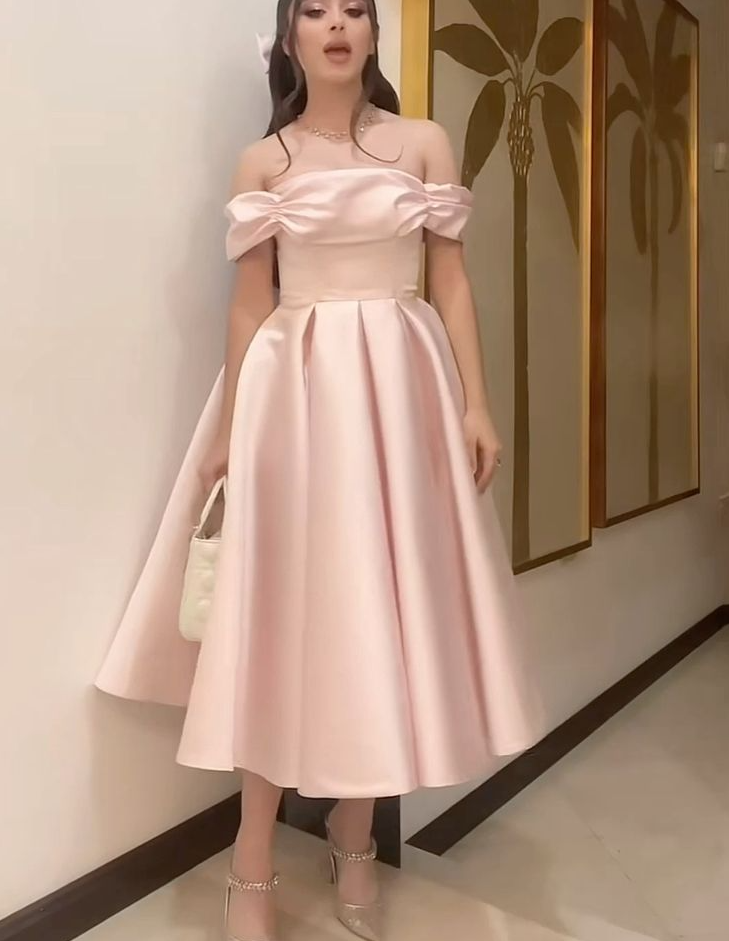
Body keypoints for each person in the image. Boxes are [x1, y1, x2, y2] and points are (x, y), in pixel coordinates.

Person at [95, 1, 542, 939]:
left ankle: (353, 831)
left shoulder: (422, 142)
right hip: (293, 389)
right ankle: (252, 855)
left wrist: (475, 402)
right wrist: (228, 430)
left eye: (354, 9)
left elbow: (450, 277)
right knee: (281, 613)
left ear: (373, 32)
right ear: (291, 34)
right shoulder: (265, 161)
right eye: (315, 9)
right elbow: (248, 300)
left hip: (401, 387)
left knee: (381, 603)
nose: (336, 24)